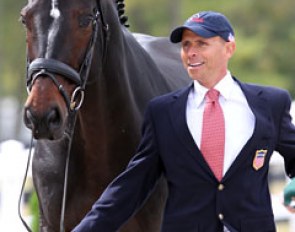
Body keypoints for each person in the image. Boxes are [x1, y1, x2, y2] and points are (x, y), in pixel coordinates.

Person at [73, 11, 295, 232]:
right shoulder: (163, 113)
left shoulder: (270, 104)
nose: (191, 52)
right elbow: (131, 186)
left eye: (201, 44)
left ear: (229, 48)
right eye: (186, 45)